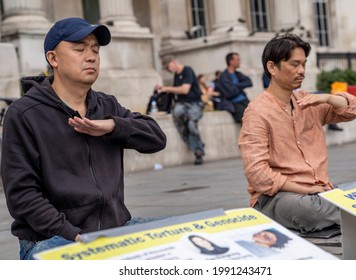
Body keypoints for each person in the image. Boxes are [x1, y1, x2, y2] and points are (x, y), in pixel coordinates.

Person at [1, 17, 167, 260]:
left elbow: (156, 138)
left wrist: (113, 126)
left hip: (116, 229)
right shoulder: (24, 114)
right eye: (79, 49)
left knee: (190, 242)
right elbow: (22, 196)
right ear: (53, 59)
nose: (91, 56)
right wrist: (74, 235)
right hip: (53, 238)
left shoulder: (106, 105)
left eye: (95, 50)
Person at [238, 33, 356, 233]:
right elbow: (258, 174)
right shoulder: (257, 112)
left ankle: (349, 209)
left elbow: (354, 109)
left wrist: (327, 99)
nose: (302, 71)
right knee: (313, 211)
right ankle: (355, 212)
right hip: (278, 198)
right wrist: (308, 190)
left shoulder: (308, 101)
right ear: (272, 67)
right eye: (294, 64)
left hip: (319, 192)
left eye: (304, 64)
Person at [155, 55, 205, 165]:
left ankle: (198, 152)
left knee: (191, 124)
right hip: (182, 104)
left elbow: (184, 89)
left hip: (194, 103)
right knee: (178, 120)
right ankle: (197, 144)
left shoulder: (187, 70)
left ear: (173, 62)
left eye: (168, 67)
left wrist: (166, 88)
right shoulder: (176, 75)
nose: (169, 70)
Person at [218, 52, 252, 123]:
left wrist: (236, 85)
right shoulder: (224, 76)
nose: (239, 62)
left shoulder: (237, 74)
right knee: (246, 119)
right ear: (231, 61)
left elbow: (249, 82)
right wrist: (241, 86)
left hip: (244, 101)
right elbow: (230, 92)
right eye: (237, 60)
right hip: (233, 103)